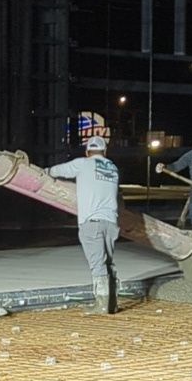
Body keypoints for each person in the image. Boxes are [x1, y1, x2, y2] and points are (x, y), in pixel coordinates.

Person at [49, 121, 123, 314]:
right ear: (104, 152)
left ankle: (101, 305)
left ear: (87, 152)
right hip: (111, 222)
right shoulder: (113, 169)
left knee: (97, 265)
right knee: (108, 262)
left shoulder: (83, 164)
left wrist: (45, 171)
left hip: (92, 223)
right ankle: (112, 303)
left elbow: (57, 171)